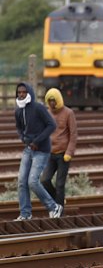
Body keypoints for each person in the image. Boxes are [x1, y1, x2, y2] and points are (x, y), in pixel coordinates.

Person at [14, 82, 61, 220]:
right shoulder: (18, 110)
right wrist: (23, 138)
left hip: (42, 150)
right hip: (28, 149)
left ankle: (54, 207)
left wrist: (37, 141)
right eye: (19, 92)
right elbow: (19, 128)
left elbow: (52, 125)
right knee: (22, 181)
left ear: (29, 93)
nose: (21, 94)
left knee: (32, 181)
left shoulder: (38, 108)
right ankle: (25, 214)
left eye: (24, 92)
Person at [40, 88, 78, 214]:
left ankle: (59, 211)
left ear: (59, 100)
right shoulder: (47, 113)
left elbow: (73, 135)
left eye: (54, 100)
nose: (52, 103)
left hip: (63, 155)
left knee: (60, 184)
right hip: (50, 154)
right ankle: (57, 200)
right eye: (49, 101)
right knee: (44, 180)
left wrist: (69, 152)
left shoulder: (68, 113)